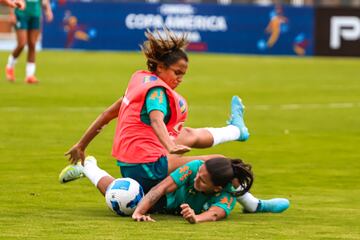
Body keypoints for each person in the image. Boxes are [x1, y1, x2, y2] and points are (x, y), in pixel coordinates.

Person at [60, 29, 289, 213]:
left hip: (128, 163)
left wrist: (81, 144)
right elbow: (156, 119)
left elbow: (106, 115)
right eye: (177, 73)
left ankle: (88, 167)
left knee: (129, 196)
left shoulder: (140, 83)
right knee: (219, 161)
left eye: (183, 74)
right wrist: (170, 147)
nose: (179, 79)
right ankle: (254, 204)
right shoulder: (157, 92)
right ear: (160, 67)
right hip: (149, 163)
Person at [62, 156, 288, 223]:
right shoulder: (195, 168)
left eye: (204, 180)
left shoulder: (226, 194)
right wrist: (139, 211)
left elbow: (216, 214)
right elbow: (161, 187)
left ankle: (255, 205)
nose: (198, 177)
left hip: (172, 206)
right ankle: (88, 166)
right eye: (201, 173)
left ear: (217, 188)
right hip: (159, 194)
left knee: (237, 184)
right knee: (122, 196)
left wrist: (195, 218)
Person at [5, 0, 53, 84]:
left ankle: (30, 75)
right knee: (22, 43)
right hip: (21, 13)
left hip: (35, 14)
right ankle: (10, 65)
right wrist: (12, 13)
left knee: (32, 44)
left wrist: (48, 10)